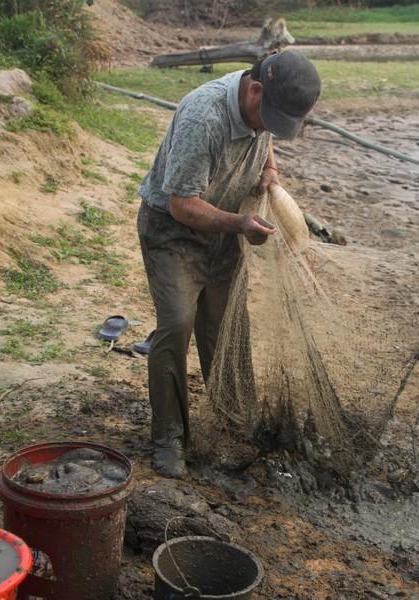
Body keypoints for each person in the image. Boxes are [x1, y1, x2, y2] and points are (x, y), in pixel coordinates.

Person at [137, 50, 322, 478]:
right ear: (255, 89)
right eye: (269, 116)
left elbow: (266, 137)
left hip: (226, 227)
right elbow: (182, 205)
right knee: (178, 322)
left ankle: (234, 419)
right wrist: (240, 223)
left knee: (226, 325)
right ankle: (167, 437)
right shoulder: (205, 116)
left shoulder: (260, 106)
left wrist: (270, 171)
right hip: (174, 230)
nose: (268, 127)